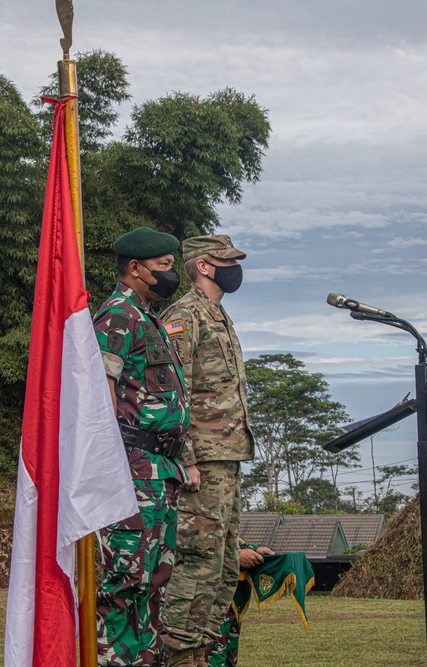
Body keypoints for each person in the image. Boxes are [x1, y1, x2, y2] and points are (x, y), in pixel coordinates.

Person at [93, 227, 191, 667]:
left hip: (159, 470)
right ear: (135, 268)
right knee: (125, 580)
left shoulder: (148, 318)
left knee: (155, 580)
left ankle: (145, 660)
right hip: (130, 472)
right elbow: (100, 394)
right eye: (164, 267)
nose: (172, 276)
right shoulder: (118, 316)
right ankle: (117, 660)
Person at [160, 235, 254, 667]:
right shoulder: (184, 315)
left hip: (227, 459)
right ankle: (179, 655)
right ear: (202, 265)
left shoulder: (218, 315)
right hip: (202, 462)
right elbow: (172, 392)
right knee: (196, 564)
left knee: (222, 567)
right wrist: (186, 458)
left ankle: (202, 654)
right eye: (226, 261)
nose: (234, 268)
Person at [205, 541, 275, 667]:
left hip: (226, 600)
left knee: (227, 659)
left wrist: (252, 550)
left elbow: (226, 537)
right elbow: (185, 539)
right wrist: (235, 556)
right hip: (202, 601)